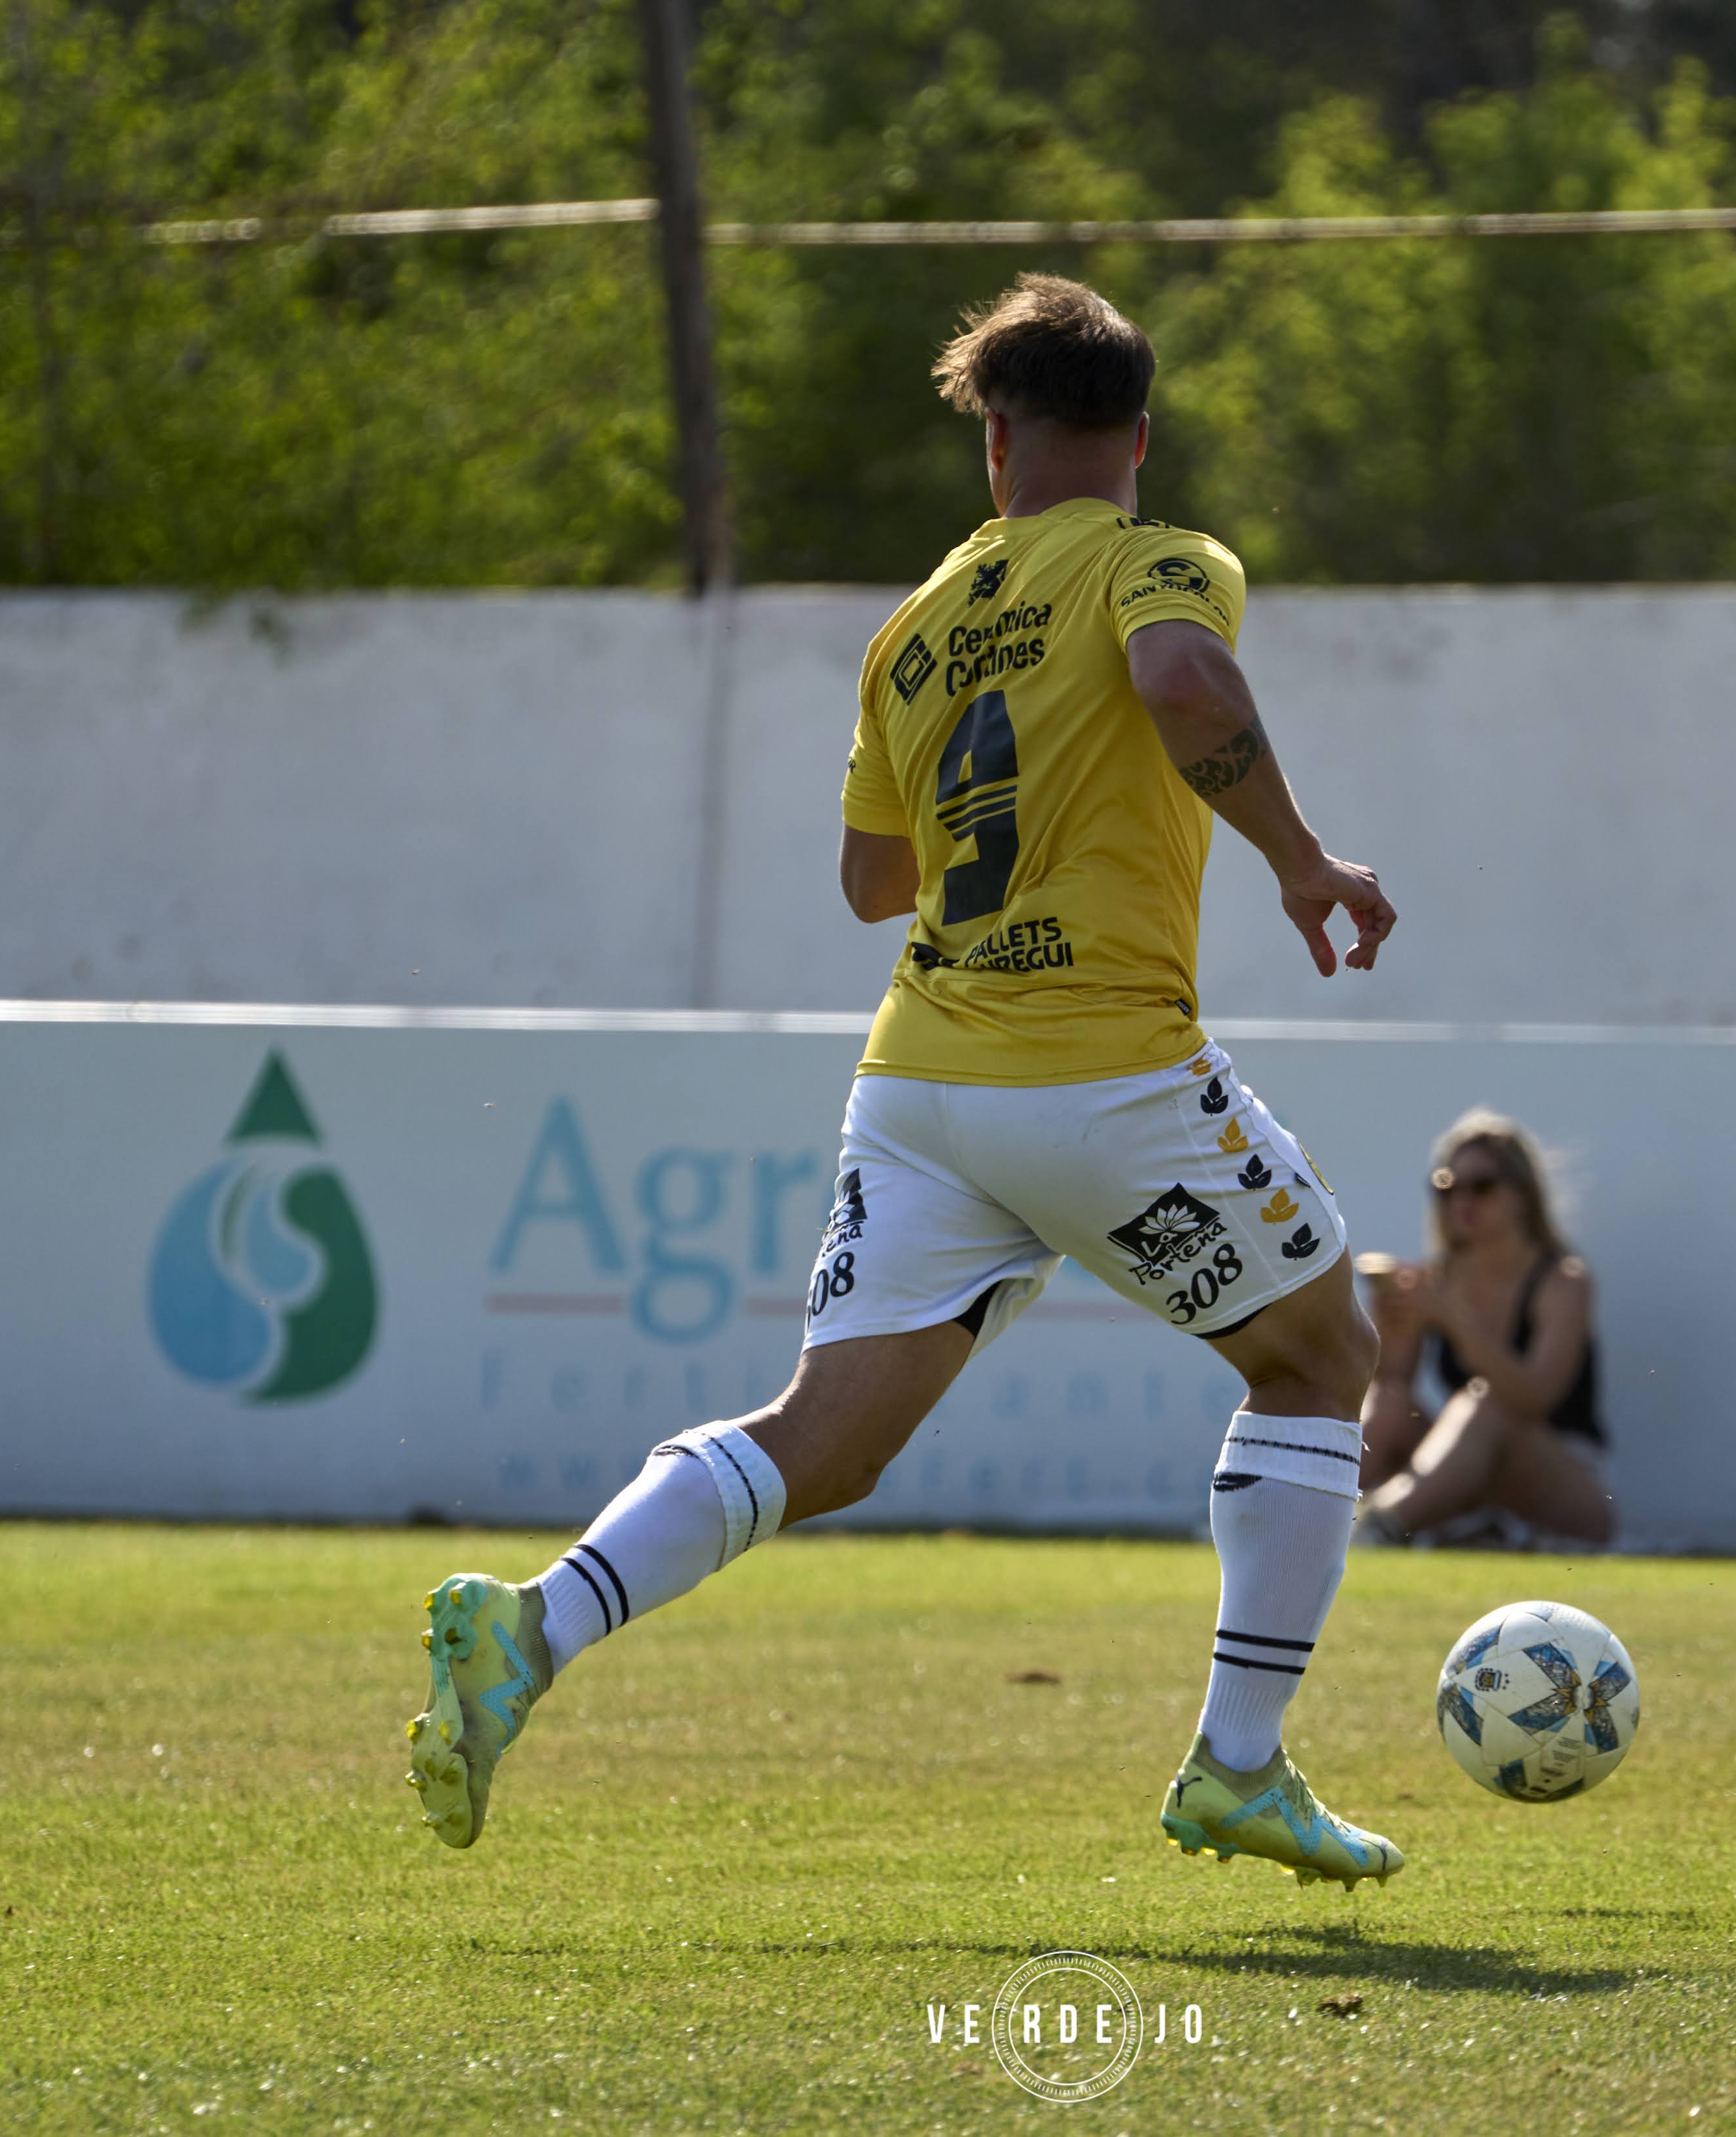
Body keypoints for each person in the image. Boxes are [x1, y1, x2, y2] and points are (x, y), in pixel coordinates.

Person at [405, 274, 1408, 1887]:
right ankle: (1238, 1766)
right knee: (1318, 1354)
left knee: (827, 1439)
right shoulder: (1164, 559)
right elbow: (1179, 682)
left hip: (924, 1084)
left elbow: (877, 881)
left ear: (993, 444)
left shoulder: (917, 627)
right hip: (1097, 1067)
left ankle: (534, 1627)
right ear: (1137, 436)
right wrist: (1297, 860)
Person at [1354, 1113, 1616, 1551]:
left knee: (1483, 1404)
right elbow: (1391, 1387)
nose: (1461, 1201)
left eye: (1482, 1186)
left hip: (1563, 1485)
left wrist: (1455, 1321)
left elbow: (1535, 1397)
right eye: (1445, 1187)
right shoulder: (1441, 1277)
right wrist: (1390, 1325)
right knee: (1393, 1400)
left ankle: (1375, 1526)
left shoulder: (1562, 1279)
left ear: (1522, 1195)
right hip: (1462, 1479)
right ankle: (1300, 1514)